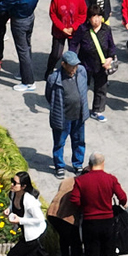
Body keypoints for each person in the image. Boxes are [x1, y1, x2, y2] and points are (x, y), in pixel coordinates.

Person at [0, 171, 61, 256]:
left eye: (15, 183)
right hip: (29, 232)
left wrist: (20, 220)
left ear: (23, 186)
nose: (12, 184)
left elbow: (39, 218)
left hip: (35, 234)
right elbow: (13, 205)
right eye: (12, 180)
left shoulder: (29, 200)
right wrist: (9, 210)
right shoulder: (13, 194)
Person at [70, 155, 127, 256]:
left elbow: (74, 199)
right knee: (109, 247)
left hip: (89, 221)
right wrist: (122, 203)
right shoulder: (110, 178)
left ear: (89, 164)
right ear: (103, 163)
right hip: (107, 220)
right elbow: (122, 197)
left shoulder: (81, 180)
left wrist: (84, 206)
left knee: (91, 249)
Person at [45, 49, 88, 177]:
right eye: (72, 66)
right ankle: (59, 166)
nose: (74, 68)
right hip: (62, 117)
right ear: (63, 64)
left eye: (76, 65)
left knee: (79, 141)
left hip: (79, 116)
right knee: (59, 143)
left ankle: (78, 164)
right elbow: (49, 96)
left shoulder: (81, 72)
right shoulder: (54, 78)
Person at [71, 9, 116, 123]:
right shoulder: (83, 29)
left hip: (101, 64)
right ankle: (80, 109)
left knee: (101, 88)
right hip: (85, 63)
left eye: (98, 16)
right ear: (89, 18)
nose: (95, 20)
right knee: (81, 87)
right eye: (93, 17)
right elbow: (74, 43)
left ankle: (97, 110)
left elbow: (111, 46)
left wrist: (109, 58)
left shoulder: (106, 29)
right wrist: (72, 59)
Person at [45, 0, 88, 78]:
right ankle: (49, 71)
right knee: (56, 54)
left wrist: (74, 27)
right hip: (59, 31)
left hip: (74, 31)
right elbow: (53, 14)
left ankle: (70, 74)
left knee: (73, 55)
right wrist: (62, 28)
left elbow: (83, 14)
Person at [44, 170, 81, 256]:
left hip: (52, 213)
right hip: (67, 216)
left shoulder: (67, 181)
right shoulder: (83, 184)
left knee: (63, 236)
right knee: (75, 243)